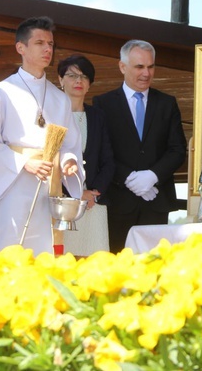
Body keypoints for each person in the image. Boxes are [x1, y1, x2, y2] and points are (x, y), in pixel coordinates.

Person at [0, 16, 83, 256]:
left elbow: (70, 144)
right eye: (39, 43)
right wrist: (25, 162)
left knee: (44, 254)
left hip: (50, 188)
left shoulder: (60, 99)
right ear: (21, 48)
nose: (48, 49)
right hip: (13, 186)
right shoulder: (2, 92)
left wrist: (68, 161)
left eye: (51, 43)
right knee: (10, 250)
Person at [93, 40, 187, 253]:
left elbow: (177, 149)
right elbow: (102, 152)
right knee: (118, 270)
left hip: (156, 200)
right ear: (122, 67)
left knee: (153, 270)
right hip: (118, 202)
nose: (146, 73)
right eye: (139, 67)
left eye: (151, 66)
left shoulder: (167, 103)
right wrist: (129, 178)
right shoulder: (104, 103)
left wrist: (152, 176)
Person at [57, 54, 115, 256]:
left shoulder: (98, 116)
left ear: (90, 83)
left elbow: (108, 160)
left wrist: (93, 192)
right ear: (60, 80)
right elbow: (51, 157)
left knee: (94, 262)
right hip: (62, 204)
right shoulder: (52, 115)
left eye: (84, 77)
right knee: (62, 262)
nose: (78, 81)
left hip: (93, 204)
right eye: (72, 75)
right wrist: (75, 193)